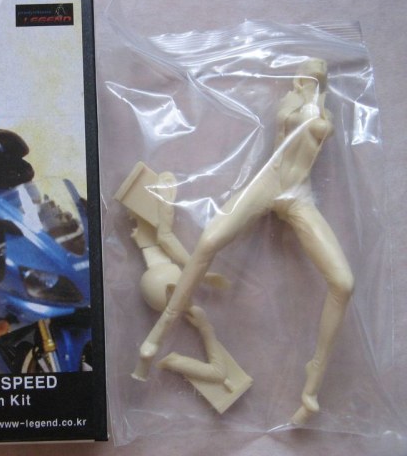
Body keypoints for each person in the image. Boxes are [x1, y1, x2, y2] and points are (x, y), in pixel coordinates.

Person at [134, 59, 354, 423]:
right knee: (208, 242)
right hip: (269, 183)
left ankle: (312, 385)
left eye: (318, 79)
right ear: (298, 80)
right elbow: (296, 123)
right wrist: (307, 100)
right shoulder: (291, 104)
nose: (311, 83)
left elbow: (318, 128)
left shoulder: (321, 113)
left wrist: (316, 104)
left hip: (298, 195)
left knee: (343, 283)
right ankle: (157, 335)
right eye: (307, 77)